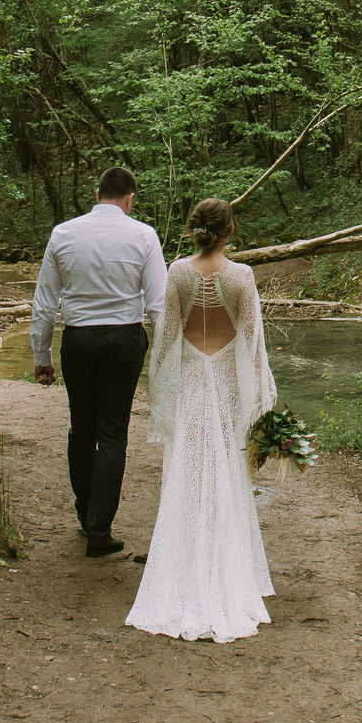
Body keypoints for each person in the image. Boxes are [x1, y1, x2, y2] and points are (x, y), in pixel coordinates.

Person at [126, 197, 277, 643]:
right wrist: (262, 395)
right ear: (229, 230)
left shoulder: (177, 272)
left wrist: (162, 389)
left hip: (192, 376)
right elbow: (252, 341)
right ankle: (226, 568)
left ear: (197, 229)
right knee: (227, 469)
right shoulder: (242, 276)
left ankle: (188, 564)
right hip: (227, 378)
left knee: (189, 470)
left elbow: (167, 335)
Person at [29, 166, 167, 558]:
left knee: (81, 428)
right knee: (112, 434)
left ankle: (85, 511)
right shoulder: (143, 234)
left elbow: (44, 302)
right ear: (130, 198)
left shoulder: (64, 233)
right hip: (124, 340)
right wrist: (167, 355)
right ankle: (98, 530)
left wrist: (42, 355)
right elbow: (158, 305)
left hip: (80, 341)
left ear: (97, 193)